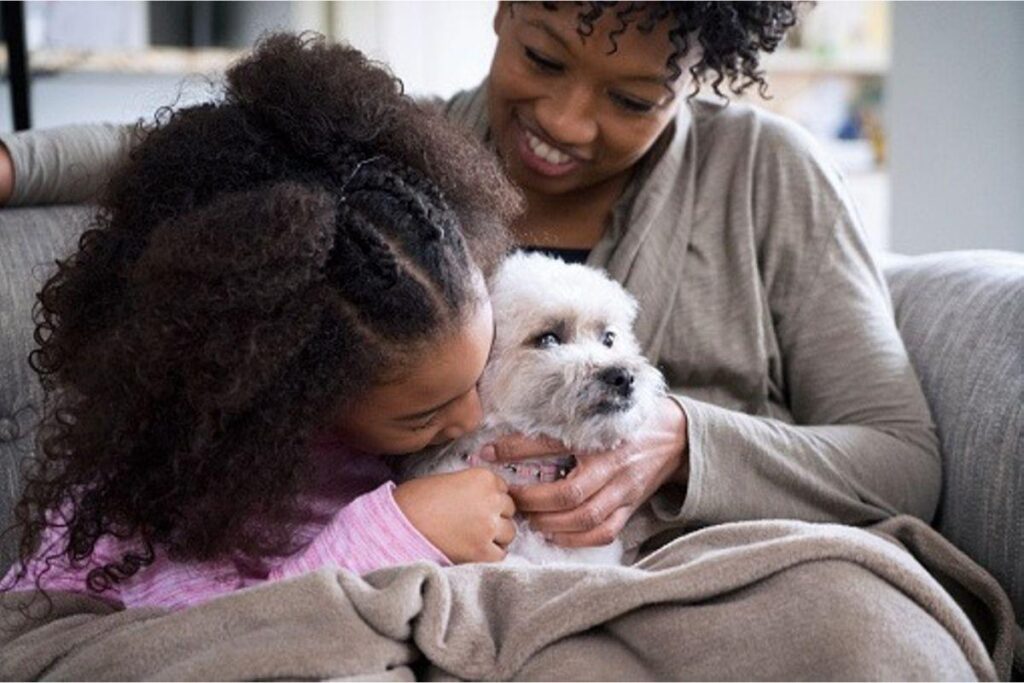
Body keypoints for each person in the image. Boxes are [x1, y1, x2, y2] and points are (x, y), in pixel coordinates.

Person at [0, 3, 1007, 677]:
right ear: (501, 10)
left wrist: (681, 441)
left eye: (632, 99)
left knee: (857, 629)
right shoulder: (399, 169)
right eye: (542, 58)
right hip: (459, 588)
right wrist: (16, 161)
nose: (566, 121)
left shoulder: (767, 176)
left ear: (692, 79)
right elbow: (206, 153)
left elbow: (899, 454)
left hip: (695, 565)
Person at [0, 33, 525, 611]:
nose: (472, 417)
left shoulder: (408, 385)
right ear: (293, 395)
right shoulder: (184, 489)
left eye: (475, 377)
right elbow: (206, 640)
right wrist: (395, 532)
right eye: (423, 415)